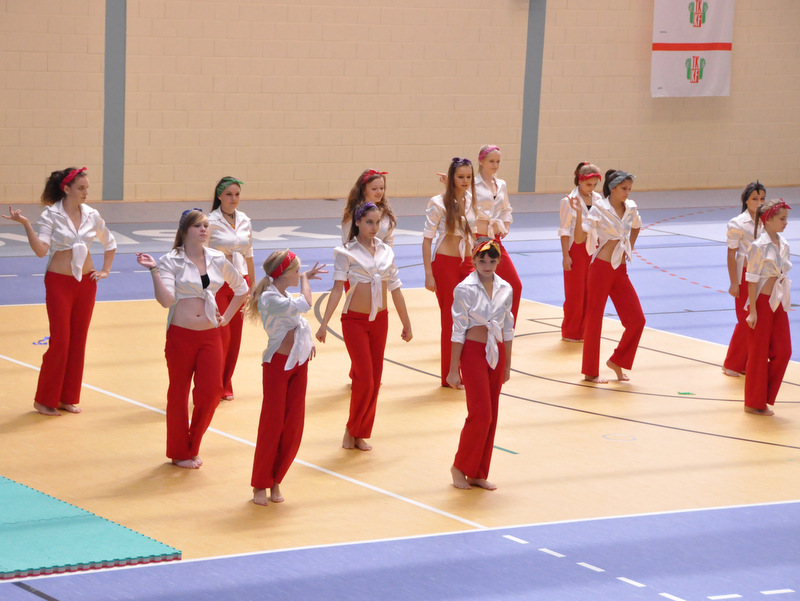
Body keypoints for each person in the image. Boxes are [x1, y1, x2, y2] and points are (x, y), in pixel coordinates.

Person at [136, 209, 248, 469]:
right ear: (185, 230)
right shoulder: (170, 260)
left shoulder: (217, 258)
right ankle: (179, 452)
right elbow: (166, 300)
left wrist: (227, 318)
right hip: (181, 336)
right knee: (178, 393)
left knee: (211, 392)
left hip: (211, 335)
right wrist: (154, 271)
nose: (204, 229)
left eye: (206, 225)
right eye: (198, 225)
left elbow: (241, 289)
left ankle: (192, 444)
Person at [3, 167, 116, 416]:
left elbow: (110, 243)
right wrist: (26, 225)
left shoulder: (92, 215)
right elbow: (41, 251)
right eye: (81, 188)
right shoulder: (51, 214)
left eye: (87, 188)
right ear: (66, 189)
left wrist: (105, 270)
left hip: (86, 283)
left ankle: (67, 398)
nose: (86, 193)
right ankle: (44, 400)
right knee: (60, 342)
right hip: (59, 283)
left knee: (78, 342)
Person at [316, 202, 413, 451]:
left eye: (377, 222)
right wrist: (324, 323)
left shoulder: (386, 252)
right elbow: (337, 289)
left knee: (375, 380)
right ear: (357, 222)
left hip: (380, 321)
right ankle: (351, 429)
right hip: (354, 323)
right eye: (369, 222)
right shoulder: (346, 252)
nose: (374, 227)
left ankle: (361, 433)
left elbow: (396, 289)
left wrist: (406, 322)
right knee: (365, 379)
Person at [245, 249, 327, 505]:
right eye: (297, 270)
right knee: (272, 425)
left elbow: (298, 321)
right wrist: (304, 279)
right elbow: (306, 304)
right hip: (278, 366)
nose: (300, 273)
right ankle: (260, 484)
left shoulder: (283, 294)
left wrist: (307, 340)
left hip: (298, 363)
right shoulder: (269, 298)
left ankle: (277, 480)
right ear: (285, 273)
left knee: (293, 425)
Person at [447, 237, 514, 491]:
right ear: (474, 261)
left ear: (498, 262)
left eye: (492, 261)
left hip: (496, 353)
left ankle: (477, 471)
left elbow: (508, 327)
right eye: (482, 260)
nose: (487, 265)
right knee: (481, 414)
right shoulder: (464, 289)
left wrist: (507, 364)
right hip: (473, 354)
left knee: (492, 414)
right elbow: (457, 331)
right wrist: (453, 369)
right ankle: (459, 467)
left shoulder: (505, 288)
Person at [580, 170, 645, 383]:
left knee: (637, 320)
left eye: (629, 189)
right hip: (600, 269)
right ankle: (590, 372)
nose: (627, 193)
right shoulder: (599, 208)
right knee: (594, 319)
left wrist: (629, 247)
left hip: (620, 270)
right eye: (624, 188)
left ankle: (617, 360)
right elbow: (582, 235)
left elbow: (637, 226)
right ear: (613, 188)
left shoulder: (631, 207)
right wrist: (580, 216)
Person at [423, 157, 477, 386]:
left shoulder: (470, 198)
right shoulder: (438, 203)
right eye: (460, 176)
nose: (465, 181)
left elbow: (472, 231)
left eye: (468, 177)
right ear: (452, 177)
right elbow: (427, 240)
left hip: (468, 263)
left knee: (470, 318)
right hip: (445, 264)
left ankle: (466, 369)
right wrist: (429, 273)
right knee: (450, 319)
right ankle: (449, 374)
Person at [744, 199, 792, 416]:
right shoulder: (758, 246)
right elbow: (751, 280)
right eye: (782, 219)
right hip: (762, 303)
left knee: (783, 351)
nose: (785, 222)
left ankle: (764, 395)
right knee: (758, 353)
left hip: (778, 301)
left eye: (786, 219)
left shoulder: (784, 243)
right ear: (768, 220)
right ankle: (754, 402)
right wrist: (753, 311)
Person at [208, 176, 254, 400]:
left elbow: (249, 255)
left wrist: (252, 285)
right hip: (218, 283)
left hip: (240, 283)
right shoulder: (210, 221)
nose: (233, 198)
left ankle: (226, 383)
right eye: (228, 194)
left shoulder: (245, 220)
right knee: (222, 335)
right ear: (219, 196)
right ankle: (213, 383)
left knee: (235, 338)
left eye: (237, 194)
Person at [473, 145, 523, 324]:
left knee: (514, 285)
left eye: (498, 161)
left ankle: (506, 327)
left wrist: (506, 225)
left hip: (495, 240)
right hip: (476, 239)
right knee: (479, 289)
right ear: (481, 161)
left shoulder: (501, 184)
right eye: (491, 161)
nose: (495, 165)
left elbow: (506, 208)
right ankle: (478, 329)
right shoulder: (472, 184)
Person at [723, 181, 766, 377]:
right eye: (755, 199)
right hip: (744, 276)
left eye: (762, 199)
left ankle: (747, 363)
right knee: (744, 320)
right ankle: (732, 364)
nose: (759, 202)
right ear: (746, 200)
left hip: (763, 277)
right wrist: (734, 282)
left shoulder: (767, 220)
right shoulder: (737, 223)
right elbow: (731, 253)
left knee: (758, 320)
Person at [558, 162, 602, 342]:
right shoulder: (569, 200)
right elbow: (564, 230)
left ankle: (585, 331)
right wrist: (566, 256)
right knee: (575, 293)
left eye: (594, 185)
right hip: (576, 249)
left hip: (594, 247)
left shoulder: (598, 199)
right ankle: (571, 332)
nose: (591, 188)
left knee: (590, 292)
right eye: (588, 184)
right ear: (580, 181)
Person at [341, 169, 396, 246]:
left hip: (381, 253)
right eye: (374, 189)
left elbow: (388, 241)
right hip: (357, 253)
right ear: (364, 190)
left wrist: (384, 253)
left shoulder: (385, 213)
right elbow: (347, 242)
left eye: (381, 188)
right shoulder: (354, 213)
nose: (379, 192)